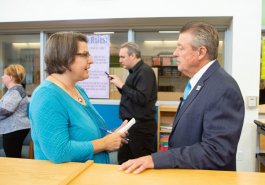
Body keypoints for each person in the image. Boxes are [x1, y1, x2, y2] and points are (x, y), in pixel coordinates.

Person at [119, 22, 245, 174]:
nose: (174, 53)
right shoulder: (200, 83)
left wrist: (157, 159)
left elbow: (216, 151)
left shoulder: (223, 88)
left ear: (200, 52)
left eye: (181, 47)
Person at [29, 31, 128, 164]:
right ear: (64, 58)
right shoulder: (47, 96)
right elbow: (59, 152)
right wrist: (104, 143)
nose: (91, 60)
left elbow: (88, 137)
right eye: (85, 54)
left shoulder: (78, 90)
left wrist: (112, 137)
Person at [108, 42, 157, 164]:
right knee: (124, 161)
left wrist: (122, 85)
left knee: (141, 163)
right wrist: (120, 86)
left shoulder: (145, 71)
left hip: (141, 127)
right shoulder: (134, 72)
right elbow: (131, 96)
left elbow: (141, 98)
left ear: (133, 55)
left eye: (122, 57)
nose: (120, 60)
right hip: (130, 126)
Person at [0, 64, 30, 158]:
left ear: (11, 77)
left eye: (4, 74)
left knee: (13, 158)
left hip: (15, 128)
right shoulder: (14, 90)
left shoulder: (15, 91)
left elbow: (6, 110)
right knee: (13, 156)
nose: (2, 77)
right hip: (14, 128)